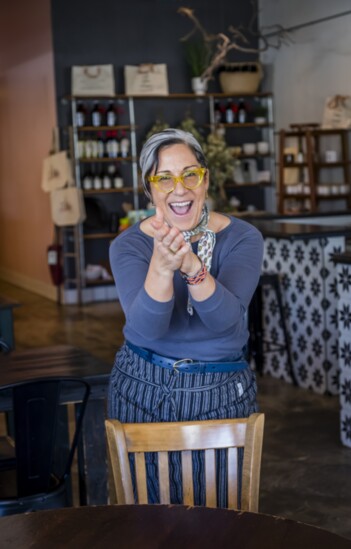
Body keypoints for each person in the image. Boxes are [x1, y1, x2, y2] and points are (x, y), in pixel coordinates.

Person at [108, 128, 264, 507]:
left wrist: (193, 265)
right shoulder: (128, 246)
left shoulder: (244, 238)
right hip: (140, 390)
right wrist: (162, 267)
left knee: (221, 520)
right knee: (144, 521)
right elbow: (147, 328)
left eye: (190, 174)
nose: (180, 189)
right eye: (164, 178)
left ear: (205, 179)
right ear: (149, 189)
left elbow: (226, 323)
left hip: (220, 395)